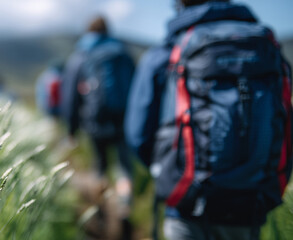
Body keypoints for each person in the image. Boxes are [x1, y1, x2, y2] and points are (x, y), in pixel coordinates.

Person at [125, 0, 293, 240]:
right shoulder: (266, 47)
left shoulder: (166, 53)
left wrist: (167, 171)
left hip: (188, 202)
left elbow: (137, 134)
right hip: (253, 199)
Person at [61, 16, 135, 238]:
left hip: (95, 123)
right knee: (124, 168)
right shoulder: (122, 53)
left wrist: (71, 130)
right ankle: (124, 209)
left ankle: (103, 211)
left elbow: (70, 97)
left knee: (100, 166)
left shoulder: (81, 55)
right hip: (123, 120)